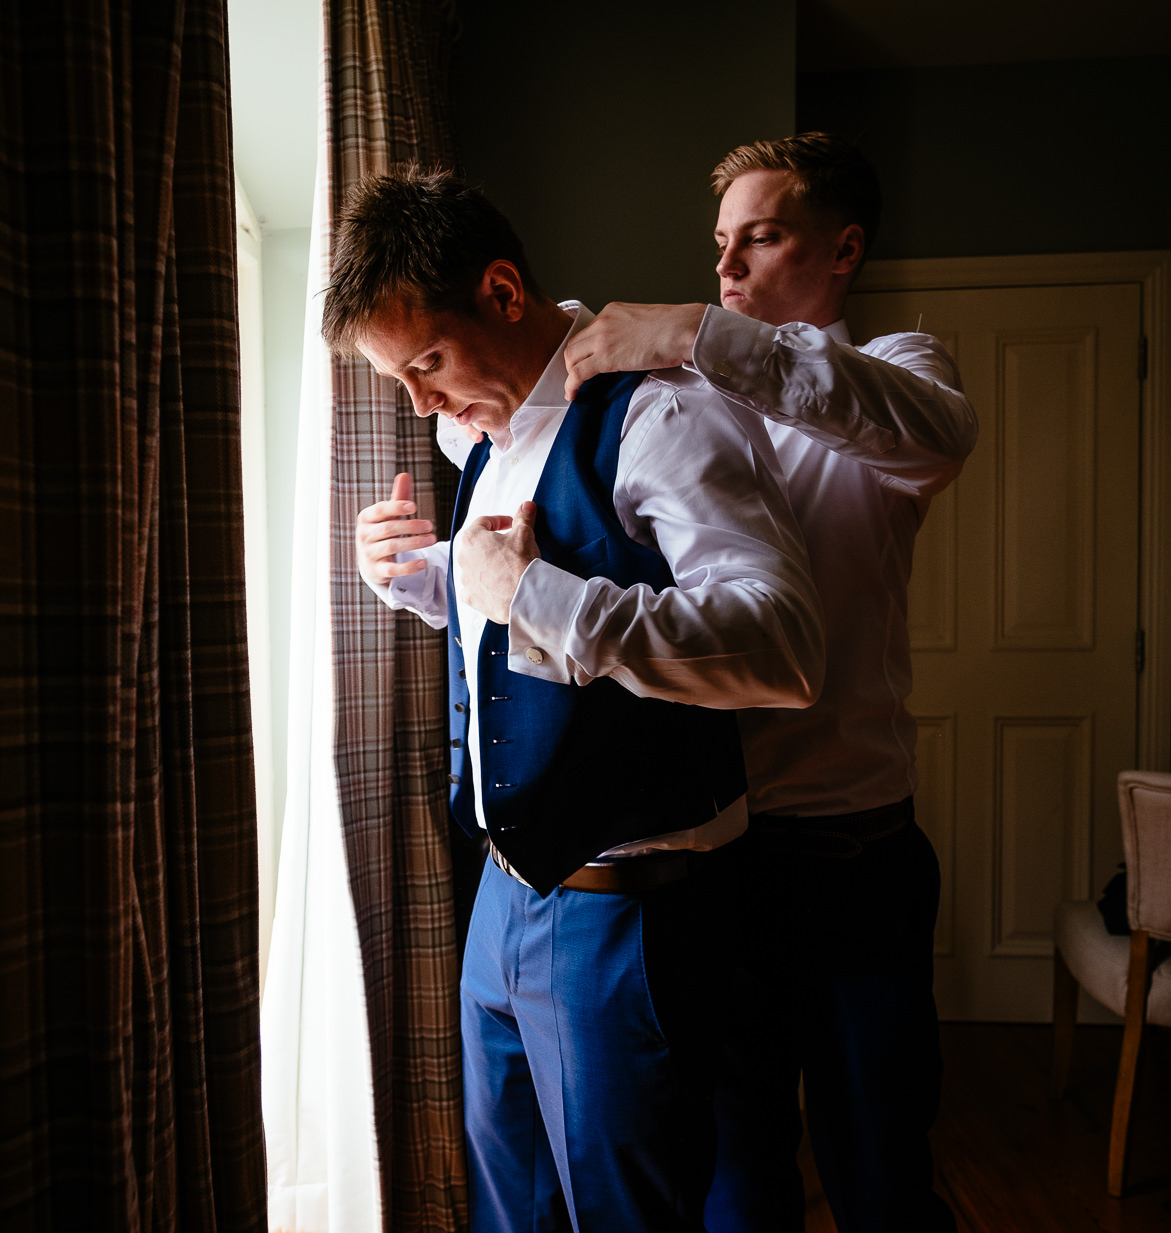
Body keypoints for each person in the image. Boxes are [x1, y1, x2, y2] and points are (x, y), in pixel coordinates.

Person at [327, 167, 825, 1233]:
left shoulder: (662, 418)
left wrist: (538, 597)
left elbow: (783, 645)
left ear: (503, 294)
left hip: (630, 913)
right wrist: (417, 579)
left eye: (425, 363)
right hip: (503, 897)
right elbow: (521, 609)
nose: (419, 403)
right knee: (510, 1212)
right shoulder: (486, 433)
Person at [556, 133, 978, 1233]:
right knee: (736, 1182)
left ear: (842, 249)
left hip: (852, 862)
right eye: (719, 243)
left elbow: (939, 437)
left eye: (762, 236)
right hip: (712, 868)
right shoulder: (682, 411)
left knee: (880, 1178)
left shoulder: (900, 372)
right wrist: (418, 571)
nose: (726, 265)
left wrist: (696, 332)